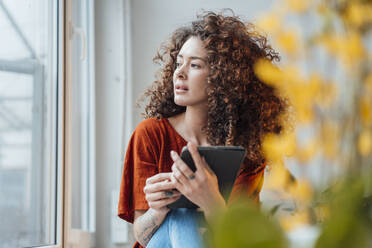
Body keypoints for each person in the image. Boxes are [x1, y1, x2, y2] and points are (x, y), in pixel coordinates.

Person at [118, 10, 286, 248]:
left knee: (185, 216)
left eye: (194, 65)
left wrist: (210, 201)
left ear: (224, 77)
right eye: (179, 62)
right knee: (180, 216)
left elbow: (240, 241)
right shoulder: (150, 134)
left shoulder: (248, 149)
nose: (179, 72)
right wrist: (156, 211)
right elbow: (142, 236)